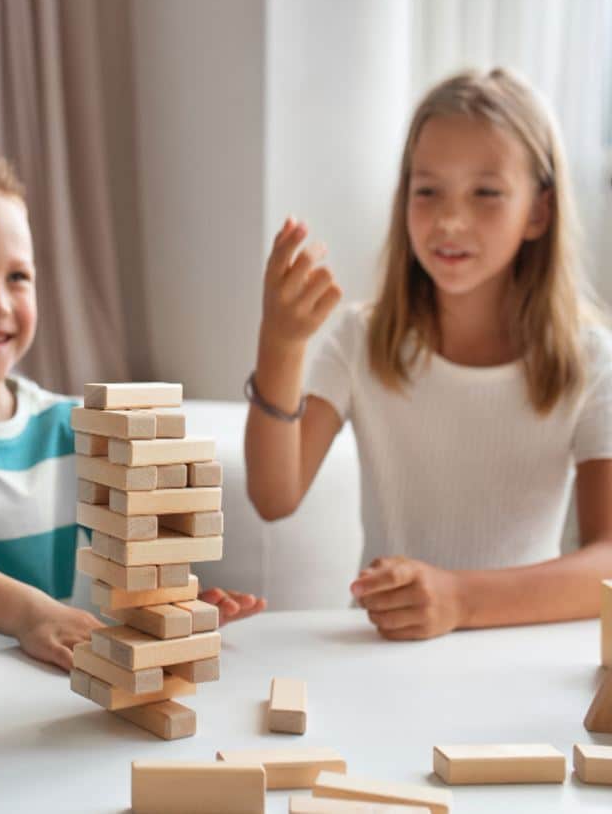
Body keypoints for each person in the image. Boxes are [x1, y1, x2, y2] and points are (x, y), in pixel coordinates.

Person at [0, 146, 262, 684]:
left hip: (55, 687)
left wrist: (169, 611)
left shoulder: (75, 426)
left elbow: (125, 567)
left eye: (18, 276)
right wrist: (32, 616)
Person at [245, 68, 612, 640]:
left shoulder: (588, 359)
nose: (449, 220)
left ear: (539, 211)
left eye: (486, 193)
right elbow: (274, 496)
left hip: (519, 655)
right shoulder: (361, 339)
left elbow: (607, 560)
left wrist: (460, 600)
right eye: (427, 190)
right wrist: (281, 343)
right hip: (381, 650)